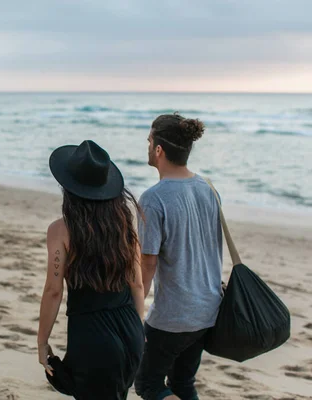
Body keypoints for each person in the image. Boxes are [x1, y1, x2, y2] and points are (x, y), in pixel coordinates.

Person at [37, 139, 145, 400]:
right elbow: (137, 285)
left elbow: (54, 291)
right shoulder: (124, 226)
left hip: (91, 336)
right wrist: (137, 332)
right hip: (130, 331)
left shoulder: (60, 230)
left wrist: (42, 343)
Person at [134, 114, 223, 400]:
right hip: (208, 309)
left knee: (148, 385)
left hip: (174, 316)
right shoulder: (208, 188)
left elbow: (147, 264)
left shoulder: (153, 198)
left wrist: (135, 314)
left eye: (149, 140)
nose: (147, 146)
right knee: (183, 383)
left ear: (158, 149)